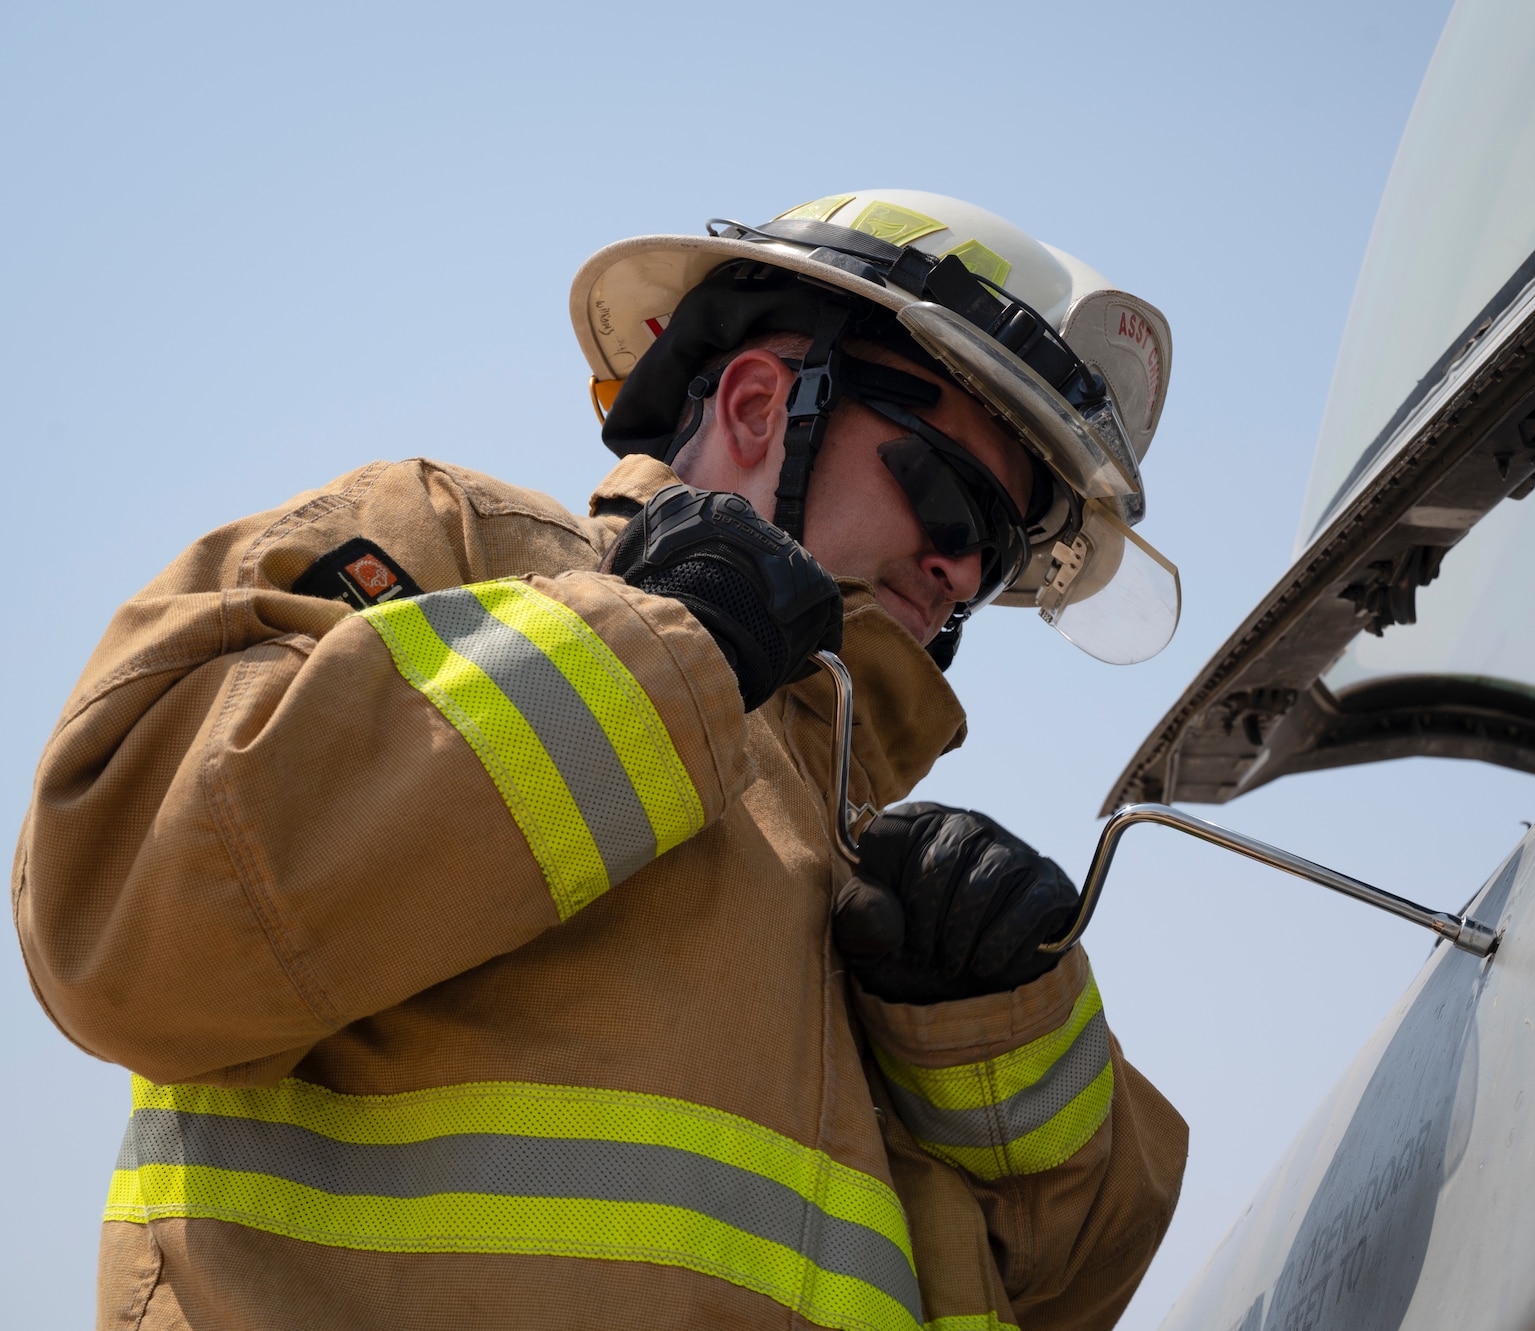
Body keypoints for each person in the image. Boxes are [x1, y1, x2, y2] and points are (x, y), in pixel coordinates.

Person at [15, 189, 1188, 1330]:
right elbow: (122, 914)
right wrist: (652, 657)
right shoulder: (452, 549)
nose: (965, 573)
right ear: (756, 404)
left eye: (1000, 549)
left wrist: (1013, 1028)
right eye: (952, 496)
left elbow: (1063, 1298)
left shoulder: (878, 880)